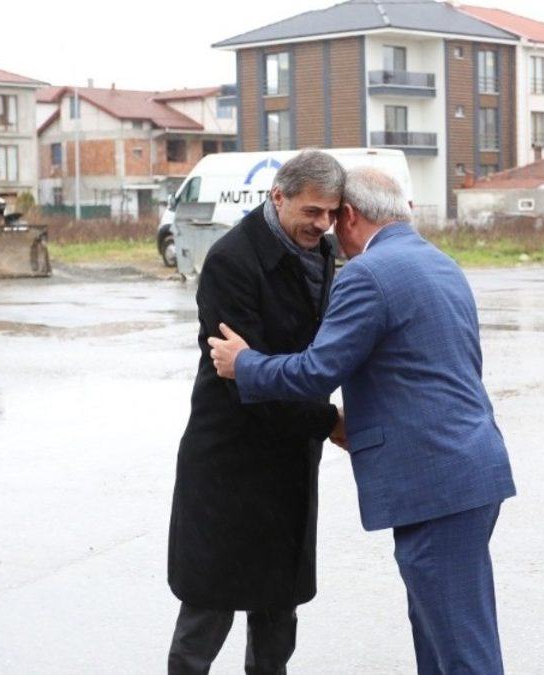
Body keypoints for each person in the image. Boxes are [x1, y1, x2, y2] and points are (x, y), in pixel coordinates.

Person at [208, 166, 516, 674]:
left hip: (435, 481)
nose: (328, 230)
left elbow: (316, 370)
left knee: (462, 649)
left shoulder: (369, 274)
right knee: (439, 634)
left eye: (333, 218)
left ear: (349, 215)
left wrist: (245, 365)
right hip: (468, 469)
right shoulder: (439, 262)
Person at [167, 150, 348, 675]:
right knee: (207, 608)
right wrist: (328, 423)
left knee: (278, 611)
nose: (323, 224)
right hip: (230, 459)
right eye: (312, 211)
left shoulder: (321, 251)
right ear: (278, 197)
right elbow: (244, 379)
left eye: (331, 213)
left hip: (289, 459)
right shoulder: (232, 261)